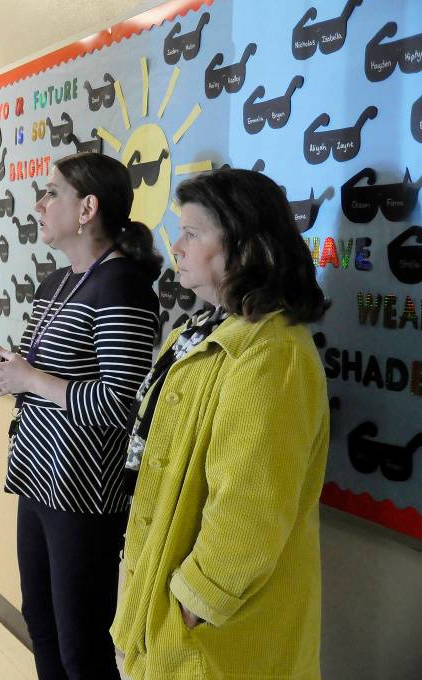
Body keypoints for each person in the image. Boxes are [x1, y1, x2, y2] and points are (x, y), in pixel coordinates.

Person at [0, 152, 162, 680]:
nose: (40, 205)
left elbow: (122, 404)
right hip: (37, 478)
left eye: (51, 193)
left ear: (88, 207)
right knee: (40, 622)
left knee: (81, 640)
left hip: (84, 492)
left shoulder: (122, 287)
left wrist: (30, 380)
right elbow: (24, 380)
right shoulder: (57, 283)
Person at [110, 169, 329, 680]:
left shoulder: (272, 355)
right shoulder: (203, 328)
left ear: (245, 247)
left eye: (192, 233)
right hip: (164, 588)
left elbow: (250, 508)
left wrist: (194, 604)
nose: (177, 246)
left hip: (214, 633)